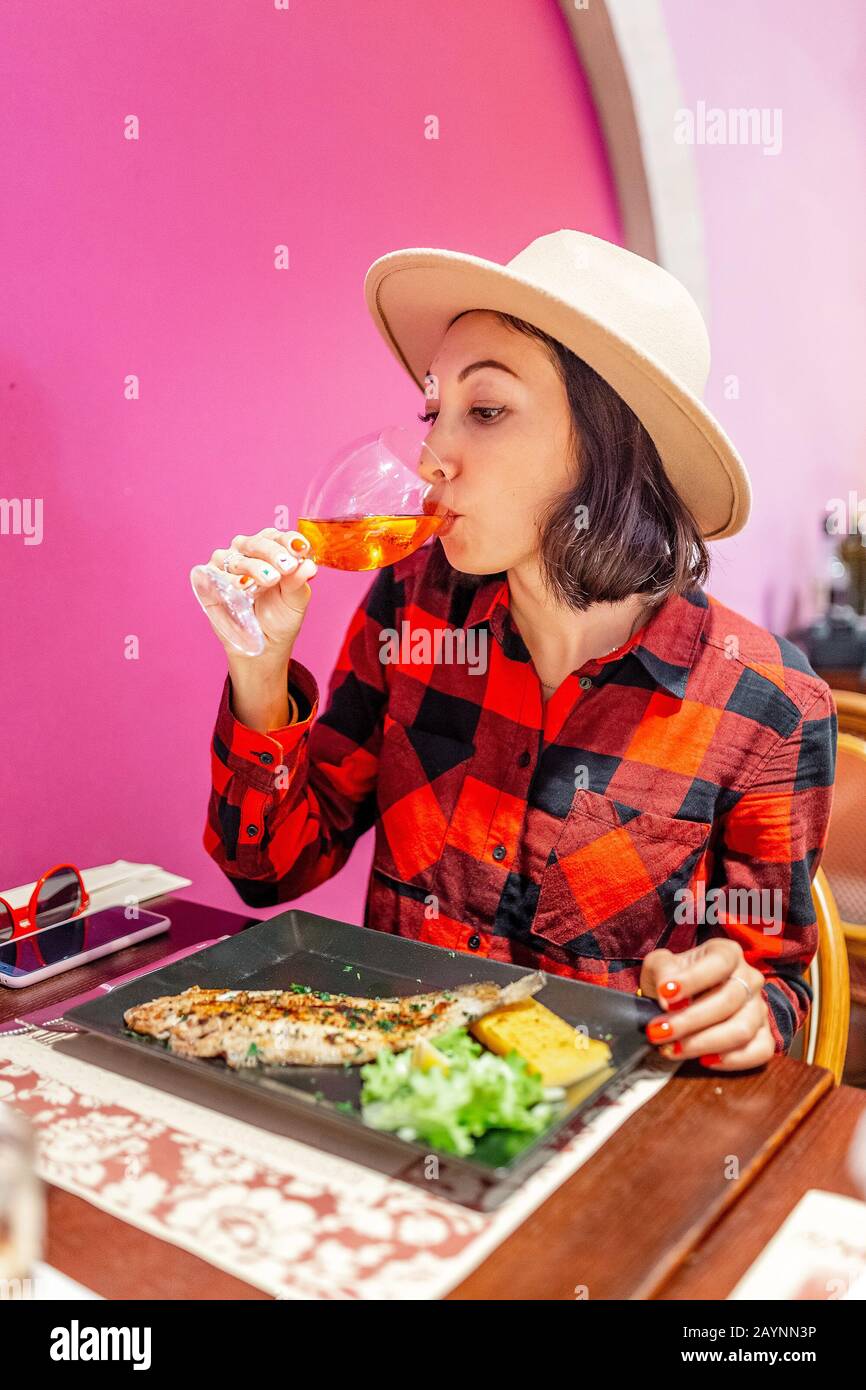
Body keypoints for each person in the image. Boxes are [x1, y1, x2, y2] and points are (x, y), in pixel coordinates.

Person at [200, 229, 837, 1072]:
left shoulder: (769, 707)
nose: (431, 457)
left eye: (486, 410)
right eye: (435, 410)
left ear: (614, 443)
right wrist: (260, 665)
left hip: (598, 1139)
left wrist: (742, 1007)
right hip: (387, 1103)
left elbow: (774, 983)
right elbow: (269, 874)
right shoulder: (411, 606)